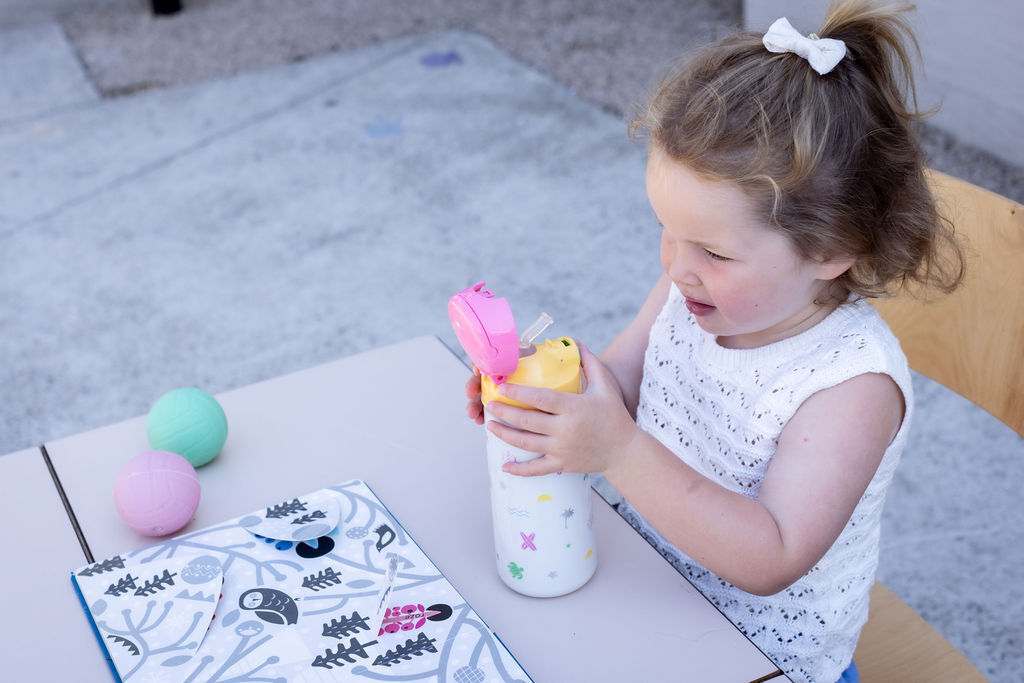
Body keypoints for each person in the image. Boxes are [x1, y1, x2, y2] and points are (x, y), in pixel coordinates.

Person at [464, 2, 966, 682]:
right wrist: (547, 396)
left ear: (833, 248)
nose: (676, 265)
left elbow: (772, 555)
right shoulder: (690, 293)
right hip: (650, 596)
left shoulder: (850, 388)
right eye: (667, 231)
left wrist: (614, 448)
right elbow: (618, 378)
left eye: (713, 251)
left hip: (760, 661)